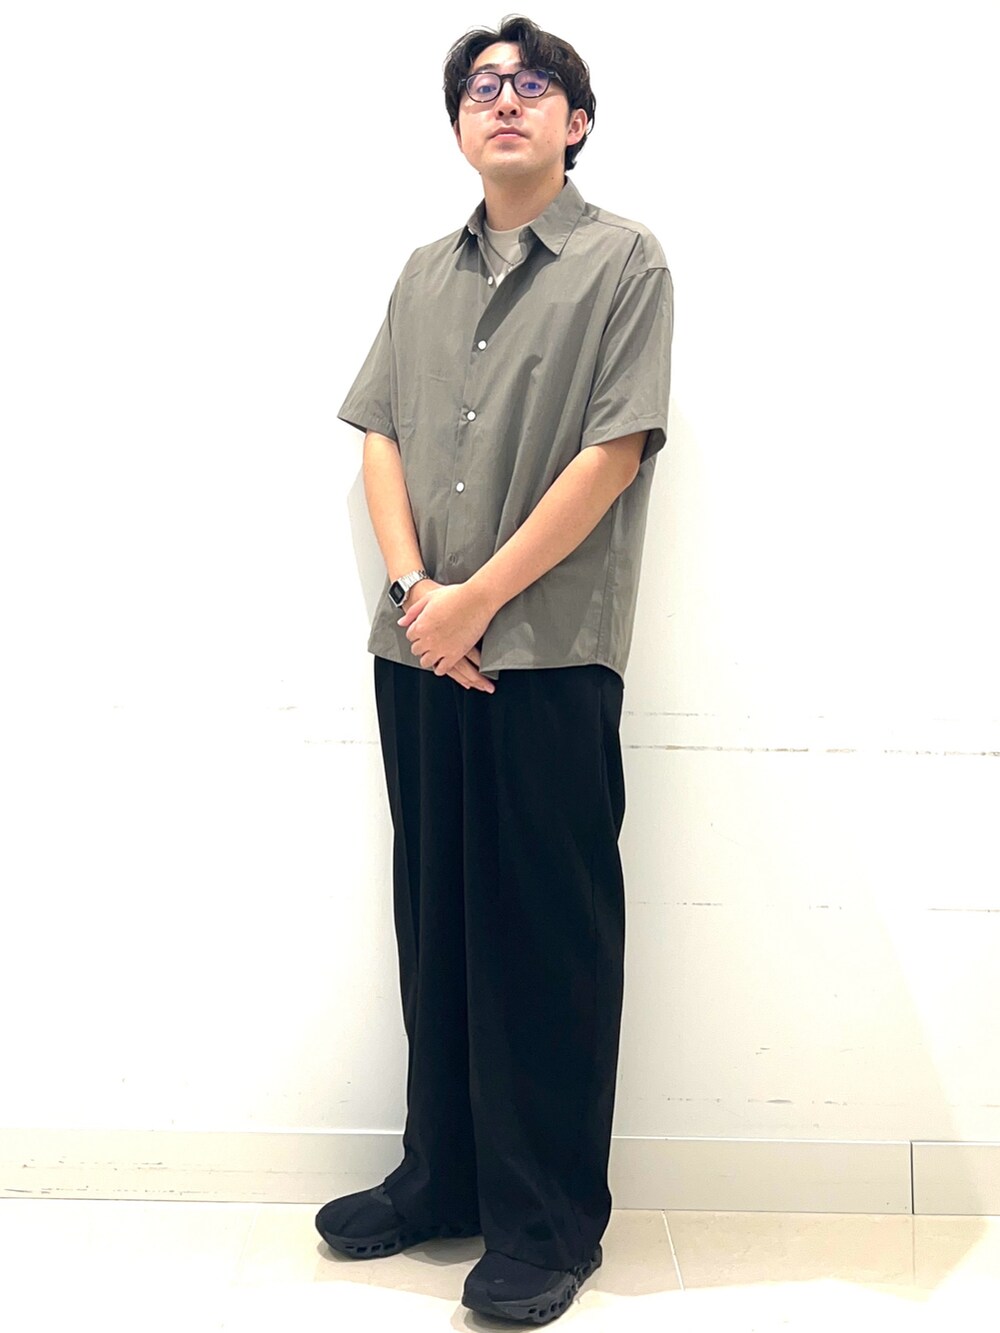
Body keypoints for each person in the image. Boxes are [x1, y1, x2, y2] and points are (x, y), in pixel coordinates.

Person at [316, 13, 673, 1325]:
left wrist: (477, 602)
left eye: (533, 85)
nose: (505, 100)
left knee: (546, 942)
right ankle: (444, 1178)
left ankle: (547, 1221)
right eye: (482, 86)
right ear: (459, 125)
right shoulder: (422, 274)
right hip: (421, 650)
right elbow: (381, 436)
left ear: (577, 121)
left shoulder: (624, 261)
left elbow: (614, 452)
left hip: (546, 654)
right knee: (440, 924)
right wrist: (420, 597)